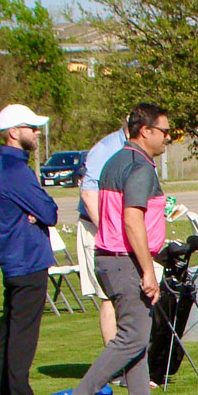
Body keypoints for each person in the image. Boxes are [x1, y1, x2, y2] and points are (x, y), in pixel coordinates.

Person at [56, 104, 171, 395]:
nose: (168, 138)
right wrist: (148, 272)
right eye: (164, 131)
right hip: (125, 260)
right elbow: (132, 220)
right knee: (133, 337)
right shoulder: (138, 167)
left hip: (109, 257)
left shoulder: (115, 161)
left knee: (136, 337)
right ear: (145, 131)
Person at [0, 104, 59, 395]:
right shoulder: (16, 170)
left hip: (16, 258)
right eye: (31, 128)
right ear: (14, 133)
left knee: (10, 330)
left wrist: (37, 210)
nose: (36, 133)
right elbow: (49, 212)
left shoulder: (5, 167)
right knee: (22, 335)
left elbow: (42, 210)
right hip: (27, 260)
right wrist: (37, 212)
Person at [76, 122, 128, 346]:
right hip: (98, 230)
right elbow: (88, 195)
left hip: (124, 232)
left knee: (130, 296)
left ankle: (132, 362)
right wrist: (109, 232)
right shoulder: (106, 149)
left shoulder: (139, 149)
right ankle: (114, 364)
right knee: (108, 296)